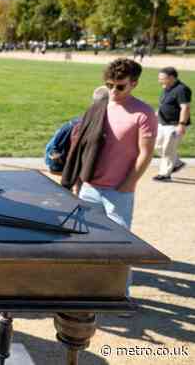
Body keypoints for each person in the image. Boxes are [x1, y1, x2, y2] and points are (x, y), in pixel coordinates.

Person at [62, 59, 157, 313]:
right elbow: (83, 145)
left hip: (118, 191)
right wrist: (79, 179)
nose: (113, 91)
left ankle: (120, 295)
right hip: (90, 186)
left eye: (120, 86)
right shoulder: (99, 107)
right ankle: (87, 289)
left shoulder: (143, 113)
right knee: (84, 240)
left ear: (134, 84)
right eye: (109, 85)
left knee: (119, 246)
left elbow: (146, 153)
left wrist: (130, 183)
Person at [153, 67, 191, 182]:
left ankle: (165, 174)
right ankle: (177, 163)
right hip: (163, 122)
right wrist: (157, 114)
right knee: (157, 146)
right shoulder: (166, 87)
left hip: (175, 124)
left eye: (162, 78)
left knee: (167, 149)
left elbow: (185, 107)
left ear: (171, 77)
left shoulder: (182, 89)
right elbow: (164, 103)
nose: (159, 80)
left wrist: (182, 124)